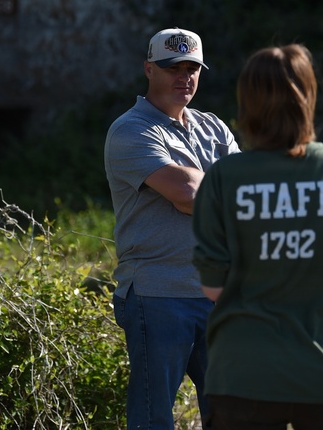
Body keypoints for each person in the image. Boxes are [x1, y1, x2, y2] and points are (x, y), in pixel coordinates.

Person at [191, 44, 323, 430]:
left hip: (243, 375)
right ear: (309, 96)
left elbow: (213, 286)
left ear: (247, 102)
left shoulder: (223, 177)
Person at [104, 27, 241, 429]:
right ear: (149, 69)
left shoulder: (213, 127)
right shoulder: (131, 129)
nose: (184, 77)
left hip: (219, 293)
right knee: (153, 417)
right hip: (158, 293)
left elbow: (247, 190)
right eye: (172, 68)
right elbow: (187, 194)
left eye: (191, 68)